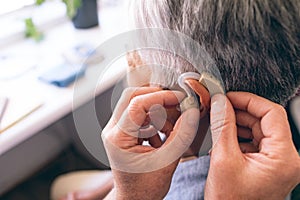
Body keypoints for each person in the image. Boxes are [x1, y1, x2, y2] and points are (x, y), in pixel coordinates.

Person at [51, 0, 300, 199]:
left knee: (59, 186)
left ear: (196, 97)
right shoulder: (277, 159)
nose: (129, 61)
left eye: (132, 53)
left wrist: (125, 195)